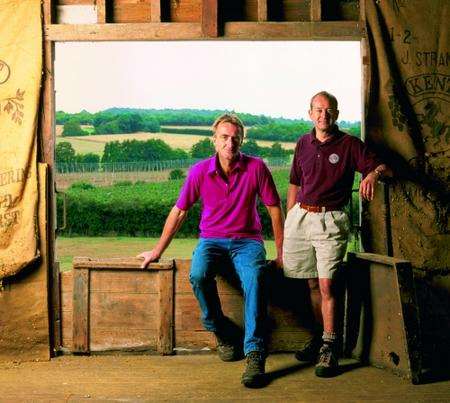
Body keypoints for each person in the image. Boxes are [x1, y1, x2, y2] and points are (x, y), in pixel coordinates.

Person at [138, 113, 284, 388]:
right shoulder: (199, 171)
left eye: (235, 138)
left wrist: (282, 254)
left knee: (256, 278)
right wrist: (157, 250)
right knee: (198, 274)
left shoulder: (256, 168)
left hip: (247, 240)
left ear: (242, 140)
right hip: (211, 240)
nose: (231, 143)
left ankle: (254, 354)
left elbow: (274, 210)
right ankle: (222, 329)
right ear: (214, 140)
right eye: (225, 137)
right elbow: (179, 212)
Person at [283, 91, 392, 378]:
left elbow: (381, 165)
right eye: (318, 110)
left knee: (328, 285)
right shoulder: (303, 144)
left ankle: (331, 346)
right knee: (311, 285)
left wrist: (371, 175)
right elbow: (294, 183)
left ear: (337, 114)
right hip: (301, 217)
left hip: (331, 219)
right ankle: (319, 338)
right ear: (310, 113)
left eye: (329, 110)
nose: (324, 115)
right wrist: (290, 218)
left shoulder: (349, 144)